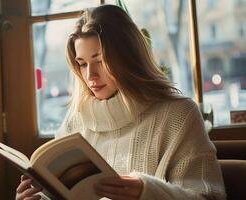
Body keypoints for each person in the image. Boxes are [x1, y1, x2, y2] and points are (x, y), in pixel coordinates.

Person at [16, 4, 226, 200]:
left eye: (100, 61)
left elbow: (206, 197)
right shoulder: (76, 120)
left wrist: (147, 192)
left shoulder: (178, 115)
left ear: (128, 58)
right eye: (82, 64)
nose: (90, 75)